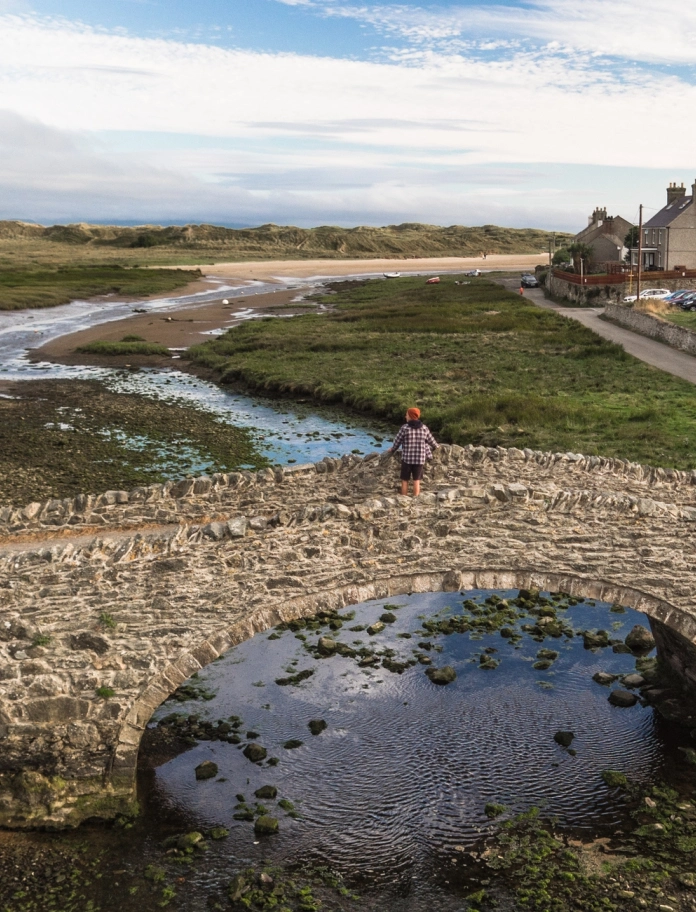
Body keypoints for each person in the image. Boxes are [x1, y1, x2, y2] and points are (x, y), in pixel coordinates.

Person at [387, 407, 439, 497]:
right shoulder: (424, 428)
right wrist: (436, 446)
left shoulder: (405, 428)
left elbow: (397, 441)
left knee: (404, 480)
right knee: (416, 480)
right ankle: (416, 498)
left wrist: (392, 449)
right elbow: (431, 441)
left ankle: (404, 498)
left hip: (407, 459)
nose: (405, 416)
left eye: (407, 414)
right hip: (420, 459)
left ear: (410, 416)